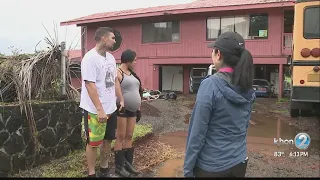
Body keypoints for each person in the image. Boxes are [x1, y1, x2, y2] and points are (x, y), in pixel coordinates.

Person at [183, 31, 255, 178]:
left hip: (211, 166)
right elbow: (244, 127)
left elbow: (197, 132)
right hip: (239, 162)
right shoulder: (246, 86)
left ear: (218, 54)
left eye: (212, 50)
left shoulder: (210, 85)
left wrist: (188, 168)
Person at [80, 27, 124, 178]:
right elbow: (90, 85)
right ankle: (91, 173)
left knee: (108, 140)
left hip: (110, 108)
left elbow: (114, 81)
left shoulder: (111, 58)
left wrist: (120, 99)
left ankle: (104, 170)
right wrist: (99, 109)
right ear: (104, 38)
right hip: (94, 109)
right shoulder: (90, 58)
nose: (114, 41)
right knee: (93, 142)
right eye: (112, 38)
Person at [113, 49, 143, 177]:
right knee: (120, 136)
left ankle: (128, 164)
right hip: (122, 109)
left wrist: (139, 107)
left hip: (133, 110)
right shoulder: (118, 72)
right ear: (128, 59)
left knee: (129, 136)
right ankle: (119, 167)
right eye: (135, 59)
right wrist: (121, 101)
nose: (136, 62)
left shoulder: (132, 74)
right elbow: (116, 88)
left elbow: (137, 90)